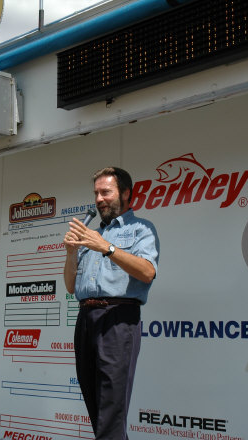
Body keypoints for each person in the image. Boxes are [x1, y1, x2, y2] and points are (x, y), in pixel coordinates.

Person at [63, 167, 160, 440]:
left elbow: (147, 272)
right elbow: (70, 286)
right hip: (86, 318)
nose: (99, 199)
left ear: (125, 194)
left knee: (111, 410)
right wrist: (71, 253)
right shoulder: (89, 236)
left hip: (118, 318)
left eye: (106, 192)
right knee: (97, 408)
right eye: (96, 193)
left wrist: (107, 247)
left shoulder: (141, 229)